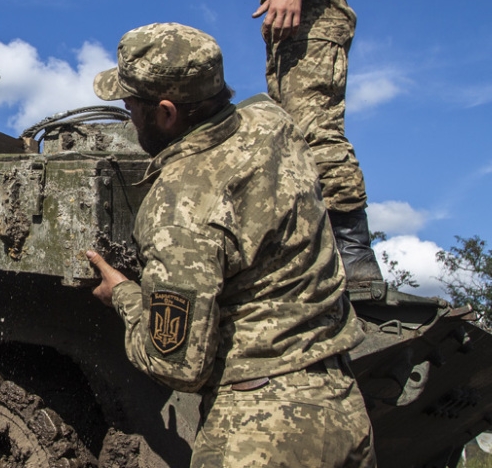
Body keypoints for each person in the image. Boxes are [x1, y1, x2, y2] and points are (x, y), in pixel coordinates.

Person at [87, 23, 375, 467]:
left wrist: (124, 295)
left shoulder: (180, 201)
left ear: (167, 113)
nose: (129, 118)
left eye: (132, 107)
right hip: (344, 409)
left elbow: (177, 365)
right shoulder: (273, 122)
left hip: (260, 433)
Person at [186, 0, 382, 284]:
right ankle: (322, 256)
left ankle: (355, 259)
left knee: (315, 130)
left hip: (313, 10)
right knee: (293, 139)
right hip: (294, 18)